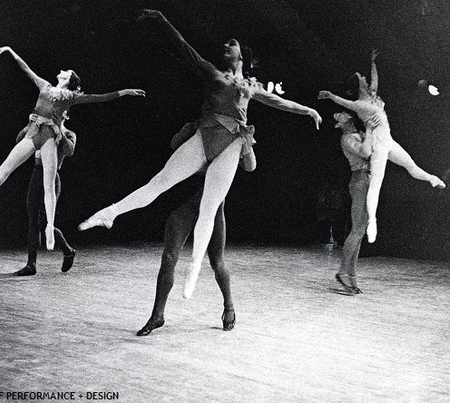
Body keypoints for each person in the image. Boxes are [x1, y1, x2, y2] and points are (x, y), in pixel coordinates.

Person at [79, 9, 322, 299]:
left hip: (232, 143)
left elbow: (278, 102)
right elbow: (183, 47)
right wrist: (161, 19)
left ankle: (193, 271)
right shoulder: (212, 72)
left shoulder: (251, 87)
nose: (225, 46)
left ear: (241, 55)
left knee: (209, 207)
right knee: (159, 182)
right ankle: (111, 213)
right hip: (204, 135)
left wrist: (308, 110)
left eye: (230, 44)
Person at [0, 46, 145, 251]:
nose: (62, 70)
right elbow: (26, 69)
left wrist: (124, 92)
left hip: (48, 138)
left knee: (48, 185)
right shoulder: (44, 86)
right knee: (3, 171)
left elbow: (98, 97)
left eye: (67, 71)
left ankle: (50, 227)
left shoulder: (71, 97)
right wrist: (11, 51)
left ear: (69, 79)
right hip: (33, 133)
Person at [137, 130, 257, 336]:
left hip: (213, 206)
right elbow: (174, 144)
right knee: (169, 256)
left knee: (216, 260)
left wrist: (246, 141)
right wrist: (191, 129)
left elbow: (250, 166)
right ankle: (158, 315)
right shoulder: (199, 128)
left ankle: (229, 307)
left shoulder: (235, 134)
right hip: (187, 201)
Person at [318, 49, 445, 243]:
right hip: (377, 143)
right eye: (363, 80)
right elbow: (344, 102)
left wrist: (373, 63)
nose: (367, 82)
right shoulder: (359, 104)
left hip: (388, 140)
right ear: (358, 87)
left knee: (411, 166)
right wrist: (331, 96)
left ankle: (432, 179)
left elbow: (375, 80)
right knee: (376, 184)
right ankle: (373, 222)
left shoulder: (372, 96)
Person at [13, 115, 77, 276]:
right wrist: (29, 125)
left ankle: (68, 250)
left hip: (52, 177)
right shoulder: (42, 130)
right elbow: (20, 141)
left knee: (46, 223)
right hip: (36, 174)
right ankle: (31, 265)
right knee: (33, 220)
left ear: (65, 116)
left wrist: (59, 133)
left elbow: (69, 150)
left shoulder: (69, 133)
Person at [333, 112, 379, 293]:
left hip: (367, 179)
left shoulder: (357, 134)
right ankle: (343, 271)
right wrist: (368, 129)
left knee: (360, 231)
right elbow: (366, 152)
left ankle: (351, 275)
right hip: (360, 180)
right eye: (340, 116)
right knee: (357, 229)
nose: (344, 114)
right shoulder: (346, 138)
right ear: (341, 125)